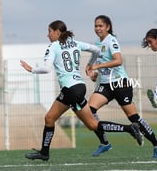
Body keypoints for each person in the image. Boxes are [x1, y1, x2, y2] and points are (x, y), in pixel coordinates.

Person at [20, 20, 142, 161]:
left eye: (49, 31)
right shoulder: (75, 43)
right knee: (90, 124)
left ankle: (44, 153)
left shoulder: (53, 46)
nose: (48, 35)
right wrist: (90, 64)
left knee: (52, 118)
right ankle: (129, 129)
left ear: (57, 32)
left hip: (70, 90)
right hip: (79, 86)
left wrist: (32, 69)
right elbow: (95, 50)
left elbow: (47, 68)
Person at [86, 15, 157, 159]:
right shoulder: (97, 44)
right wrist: (95, 75)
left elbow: (118, 61)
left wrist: (97, 65)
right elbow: (104, 67)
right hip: (105, 85)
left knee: (133, 117)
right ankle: (104, 143)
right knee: (89, 112)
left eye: (100, 26)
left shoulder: (112, 41)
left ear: (108, 27)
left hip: (120, 84)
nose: (97, 28)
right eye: (96, 26)